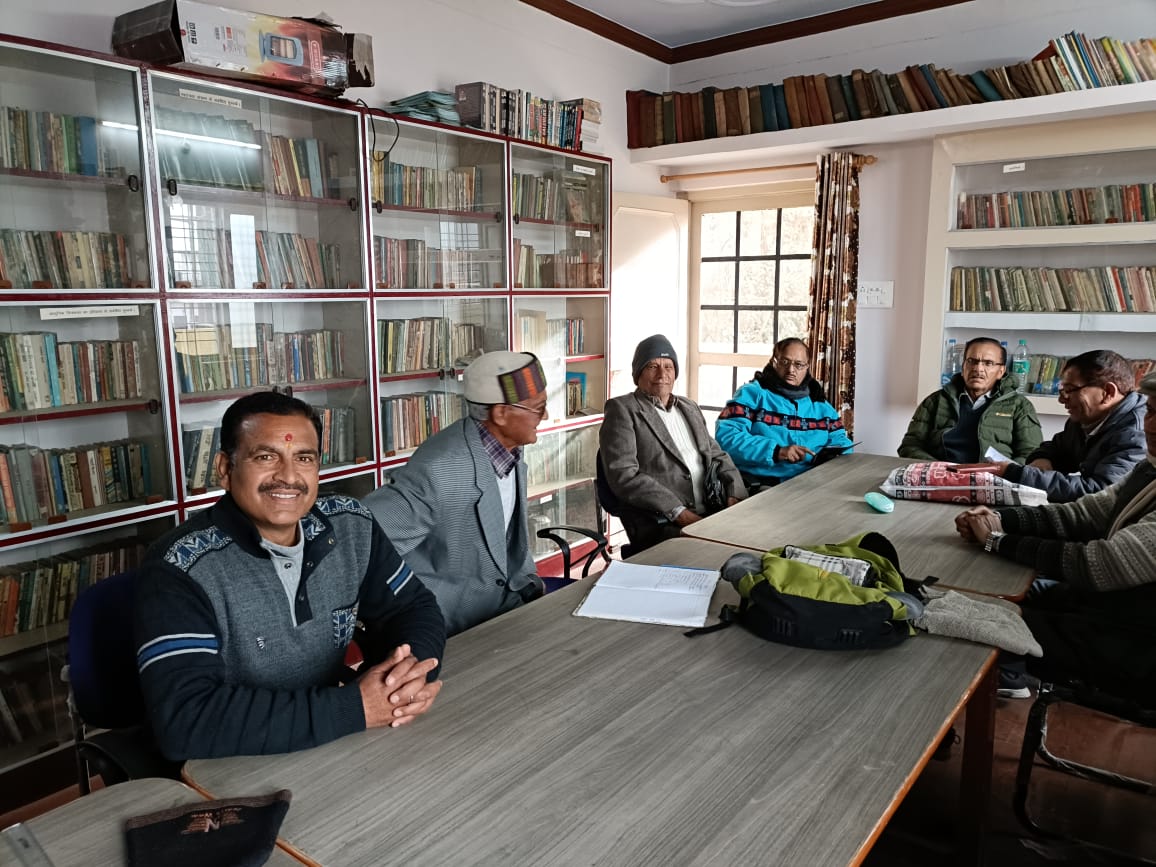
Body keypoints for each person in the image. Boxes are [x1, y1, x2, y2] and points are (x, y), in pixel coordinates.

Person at [135, 391, 445, 760]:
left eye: (304, 458)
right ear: (225, 469)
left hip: (334, 742)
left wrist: (404, 679)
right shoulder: (178, 569)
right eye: (265, 457)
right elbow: (187, 719)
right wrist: (354, 708)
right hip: (233, 765)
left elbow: (413, 608)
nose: (288, 476)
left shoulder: (351, 524)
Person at [954, 371, 1156, 701]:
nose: (1151, 425)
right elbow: (1084, 512)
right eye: (1151, 411)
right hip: (1103, 605)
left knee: (979, 621)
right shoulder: (1149, 467)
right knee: (982, 598)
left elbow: (1100, 564)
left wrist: (996, 540)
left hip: (1131, 641)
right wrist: (1002, 519)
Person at [365, 351, 546, 636]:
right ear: (500, 413)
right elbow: (363, 539)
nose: (545, 416)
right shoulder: (439, 469)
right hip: (449, 627)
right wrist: (412, 610)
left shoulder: (510, 448)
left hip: (503, 609)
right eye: (538, 408)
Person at [599, 334, 747, 553]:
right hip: (662, 522)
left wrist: (735, 495)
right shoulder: (622, 410)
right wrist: (679, 513)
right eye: (652, 366)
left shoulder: (689, 407)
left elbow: (717, 455)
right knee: (729, 553)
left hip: (711, 510)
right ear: (638, 373)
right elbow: (624, 474)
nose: (662, 375)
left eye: (668, 367)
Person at [953, 349, 1146, 502]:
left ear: (1108, 392)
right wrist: (1043, 458)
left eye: (1070, 390)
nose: (1062, 399)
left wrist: (1014, 472)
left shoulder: (1137, 433)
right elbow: (1056, 448)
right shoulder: (1085, 418)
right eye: (1062, 390)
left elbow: (1099, 493)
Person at [715, 337, 854, 486]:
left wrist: (833, 456)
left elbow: (840, 441)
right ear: (773, 362)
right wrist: (776, 451)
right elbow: (726, 438)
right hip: (762, 484)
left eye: (798, 365)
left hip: (811, 483)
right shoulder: (752, 394)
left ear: (807, 367)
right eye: (785, 362)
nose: (791, 370)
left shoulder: (820, 404)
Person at [898, 336, 1043, 464]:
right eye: (971, 361)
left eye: (988, 363)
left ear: (1001, 371)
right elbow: (910, 446)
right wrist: (936, 467)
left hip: (993, 478)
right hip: (940, 476)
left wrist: (1005, 470)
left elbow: (1031, 454)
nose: (978, 368)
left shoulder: (1019, 406)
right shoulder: (936, 401)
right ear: (963, 367)